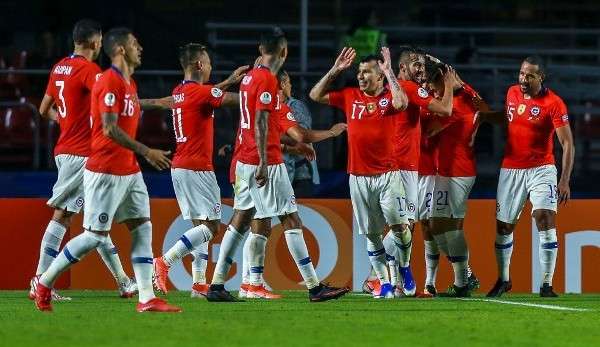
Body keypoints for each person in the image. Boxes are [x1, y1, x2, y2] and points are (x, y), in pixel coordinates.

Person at [34, 27, 180, 313]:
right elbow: (110, 128)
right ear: (120, 49)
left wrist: (157, 105)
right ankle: (44, 282)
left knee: (142, 226)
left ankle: (146, 297)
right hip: (104, 169)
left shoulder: (129, 83)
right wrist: (146, 150)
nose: (140, 48)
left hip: (128, 169)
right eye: (135, 43)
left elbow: (129, 108)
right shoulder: (104, 79)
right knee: (94, 235)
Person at [206, 27, 349, 302]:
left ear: (261, 51)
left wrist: (289, 147)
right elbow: (260, 121)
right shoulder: (268, 80)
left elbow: (262, 123)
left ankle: (217, 284)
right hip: (266, 162)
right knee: (290, 218)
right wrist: (264, 161)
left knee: (241, 220)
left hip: (243, 161)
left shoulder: (248, 79)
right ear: (284, 52)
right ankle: (314, 287)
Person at [32, 19, 136, 302]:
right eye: (101, 42)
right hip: (80, 154)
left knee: (96, 221)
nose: (101, 46)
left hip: (67, 148)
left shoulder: (59, 68)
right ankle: (40, 280)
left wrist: (66, 123)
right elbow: (107, 97)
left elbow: (44, 109)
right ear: (94, 43)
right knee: (63, 216)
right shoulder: (90, 71)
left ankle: (124, 282)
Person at [311, 46, 412, 299]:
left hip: (388, 175)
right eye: (359, 72)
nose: (361, 76)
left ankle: (406, 268)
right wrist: (335, 70)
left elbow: (402, 103)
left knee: (399, 226)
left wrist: (389, 72)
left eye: (367, 72)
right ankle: (384, 282)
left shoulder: (388, 98)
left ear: (379, 77)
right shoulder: (350, 96)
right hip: (358, 176)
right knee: (372, 233)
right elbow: (315, 95)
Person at [151, 43, 248, 298]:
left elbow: (211, 93)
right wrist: (255, 93)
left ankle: (198, 284)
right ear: (199, 65)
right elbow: (229, 99)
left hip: (181, 166)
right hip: (196, 168)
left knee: (200, 226)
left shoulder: (180, 91)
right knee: (212, 226)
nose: (211, 67)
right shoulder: (199, 92)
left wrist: (227, 81)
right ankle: (164, 262)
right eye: (209, 63)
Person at [238, 88, 347, 299]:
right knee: (291, 219)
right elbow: (301, 134)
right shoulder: (275, 102)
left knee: (259, 222)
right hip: (269, 165)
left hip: (246, 164)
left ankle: (250, 284)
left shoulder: (249, 100)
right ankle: (314, 287)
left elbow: (274, 135)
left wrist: (296, 147)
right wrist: (332, 133)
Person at [481, 56, 575, 298]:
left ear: (541, 77)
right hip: (511, 169)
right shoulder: (512, 93)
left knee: (544, 219)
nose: (523, 79)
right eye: (522, 73)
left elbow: (567, 143)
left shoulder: (554, 103)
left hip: (542, 168)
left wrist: (564, 180)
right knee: (504, 227)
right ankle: (503, 280)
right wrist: (484, 116)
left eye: (530, 75)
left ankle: (546, 284)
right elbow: (508, 118)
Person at [423, 60, 481, 297]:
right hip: (448, 171)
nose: (432, 91)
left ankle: (462, 282)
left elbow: (428, 130)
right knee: (437, 225)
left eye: (435, 86)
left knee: (449, 227)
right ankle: (464, 275)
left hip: (459, 172)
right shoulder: (468, 94)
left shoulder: (455, 107)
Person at [279, 70, 321, 197]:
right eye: (289, 82)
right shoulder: (266, 107)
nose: (291, 86)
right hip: (276, 173)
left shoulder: (296, 107)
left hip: (300, 176)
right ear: (283, 84)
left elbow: (302, 139)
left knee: (297, 214)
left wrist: (275, 143)